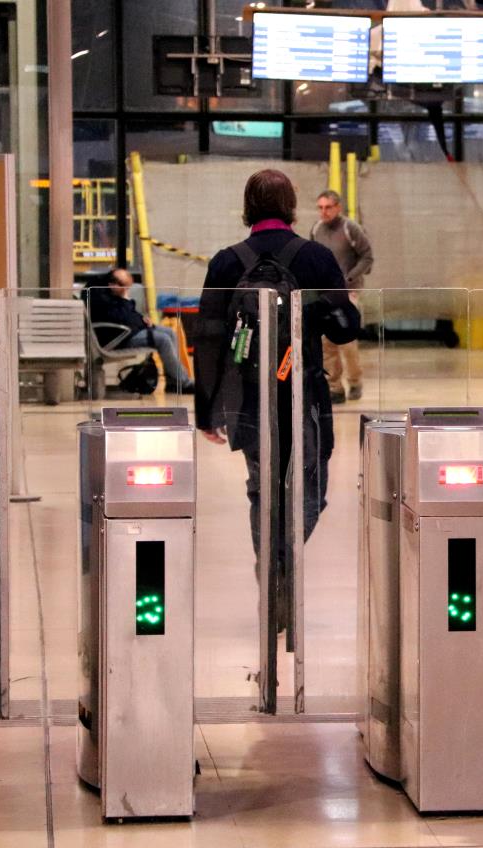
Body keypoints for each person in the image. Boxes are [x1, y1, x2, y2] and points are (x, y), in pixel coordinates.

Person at [194, 169, 361, 625]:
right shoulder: (316, 257)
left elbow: (207, 338)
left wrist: (207, 412)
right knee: (312, 491)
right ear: (291, 205)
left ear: (247, 206)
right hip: (305, 397)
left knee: (260, 490)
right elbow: (347, 328)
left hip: (248, 400)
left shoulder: (227, 262)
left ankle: (272, 568)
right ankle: (285, 563)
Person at [85, 267, 195, 393]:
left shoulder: (110, 292)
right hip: (117, 337)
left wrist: (141, 318)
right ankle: (184, 383)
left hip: (125, 330)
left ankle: (172, 382)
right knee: (163, 339)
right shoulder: (101, 298)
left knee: (170, 332)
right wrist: (125, 300)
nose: (126, 291)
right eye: (125, 288)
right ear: (113, 284)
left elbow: (128, 316)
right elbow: (121, 317)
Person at [310, 189, 373, 403]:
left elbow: (367, 256)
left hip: (348, 293)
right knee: (327, 342)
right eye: (320, 207)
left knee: (347, 341)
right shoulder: (316, 229)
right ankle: (334, 387)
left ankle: (355, 382)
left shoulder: (350, 228)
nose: (324, 212)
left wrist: (350, 278)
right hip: (325, 293)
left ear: (338, 207)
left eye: (328, 207)